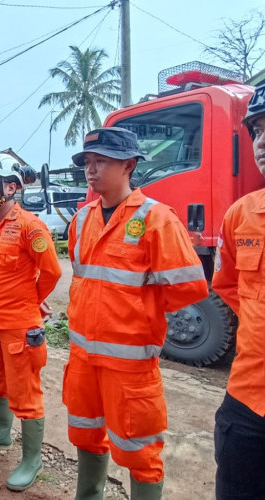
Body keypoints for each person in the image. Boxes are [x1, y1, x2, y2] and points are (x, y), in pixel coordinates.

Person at [64, 128, 209, 500]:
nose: (91, 170)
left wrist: (134, 313)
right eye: (88, 163)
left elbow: (188, 287)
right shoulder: (82, 220)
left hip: (128, 366)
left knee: (139, 451)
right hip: (83, 359)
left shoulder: (156, 219)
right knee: (85, 433)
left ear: (129, 165)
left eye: (102, 162)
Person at [0, 153, 61, 491]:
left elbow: (52, 271)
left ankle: (32, 459)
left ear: (12, 187)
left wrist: (32, 300)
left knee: (26, 393)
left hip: (21, 327)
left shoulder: (30, 226)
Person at [212, 82, 265, 500]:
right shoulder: (240, 216)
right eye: (256, 130)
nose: (261, 142)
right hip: (248, 400)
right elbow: (228, 285)